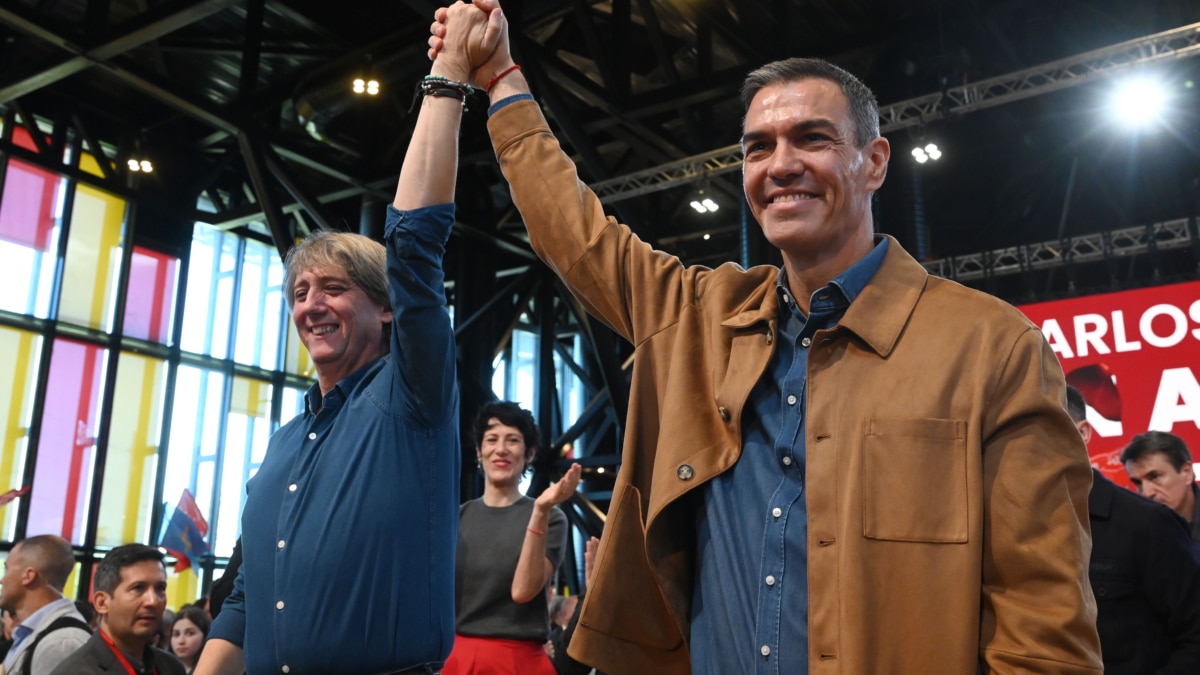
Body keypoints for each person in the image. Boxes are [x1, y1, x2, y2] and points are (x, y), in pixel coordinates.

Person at [429, 3, 1102, 672]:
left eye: (812, 138)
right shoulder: (699, 317)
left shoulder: (992, 347)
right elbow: (574, 232)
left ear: (874, 162)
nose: (780, 165)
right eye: (759, 147)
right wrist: (504, 79)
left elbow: (1042, 626)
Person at [195, 15, 466, 675]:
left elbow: (415, 244)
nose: (311, 305)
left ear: (387, 307)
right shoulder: (284, 443)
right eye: (299, 292)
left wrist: (448, 79)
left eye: (334, 288)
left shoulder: (411, 397)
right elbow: (249, 595)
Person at [1067, 387, 1200, 673]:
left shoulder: (1148, 524)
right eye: (1138, 481)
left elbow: (1192, 638)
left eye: (1156, 476)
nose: (1148, 490)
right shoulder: (1016, 525)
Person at [443, 401, 581, 675]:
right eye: (491, 439)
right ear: (479, 451)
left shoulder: (551, 518)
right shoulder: (456, 518)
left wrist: (540, 511)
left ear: (529, 454)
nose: (501, 449)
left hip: (518, 661)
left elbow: (523, 591)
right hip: (456, 659)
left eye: (513, 440)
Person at [49, 544, 185, 675]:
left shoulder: (171, 666)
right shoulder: (75, 671)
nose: (153, 601)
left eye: (160, 588)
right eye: (138, 588)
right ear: (102, 603)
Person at [0, 535, 90, 675]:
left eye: (7, 569)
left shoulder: (61, 643)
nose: (2, 580)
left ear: (28, 576)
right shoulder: (32, 632)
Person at [1121, 431, 1200, 556]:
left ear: (1187, 473)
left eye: (1155, 477)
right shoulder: (1133, 534)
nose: (1146, 493)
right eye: (1138, 483)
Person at [170, 606, 210, 673]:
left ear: (205, 635)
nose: (181, 641)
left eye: (190, 633)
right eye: (176, 634)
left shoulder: (216, 669)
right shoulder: (162, 668)